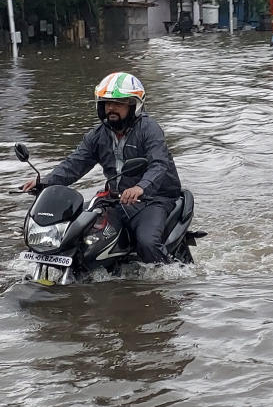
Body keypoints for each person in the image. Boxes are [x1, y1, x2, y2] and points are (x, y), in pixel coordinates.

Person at [21, 72, 182, 264]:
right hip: (115, 200)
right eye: (107, 103)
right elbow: (75, 163)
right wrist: (44, 181)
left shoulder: (149, 129)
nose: (111, 108)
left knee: (147, 242)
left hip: (153, 199)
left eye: (119, 103)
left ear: (133, 106)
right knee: (77, 234)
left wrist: (141, 187)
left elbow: (159, 164)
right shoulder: (98, 135)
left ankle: (166, 278)